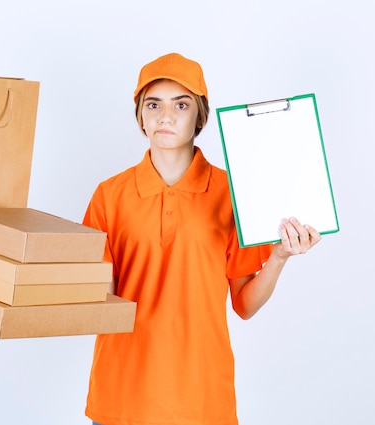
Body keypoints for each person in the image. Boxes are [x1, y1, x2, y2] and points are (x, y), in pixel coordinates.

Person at [82, 52, 321, 425]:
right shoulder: (109, 196)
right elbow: (96, 302)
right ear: (140, 116)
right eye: (153, 104)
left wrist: (278, 257)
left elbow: (244, 305)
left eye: (181, 104)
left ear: (200, 116)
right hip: (123, 396)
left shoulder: (232, 194)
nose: (165, 116)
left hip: (202, 399)